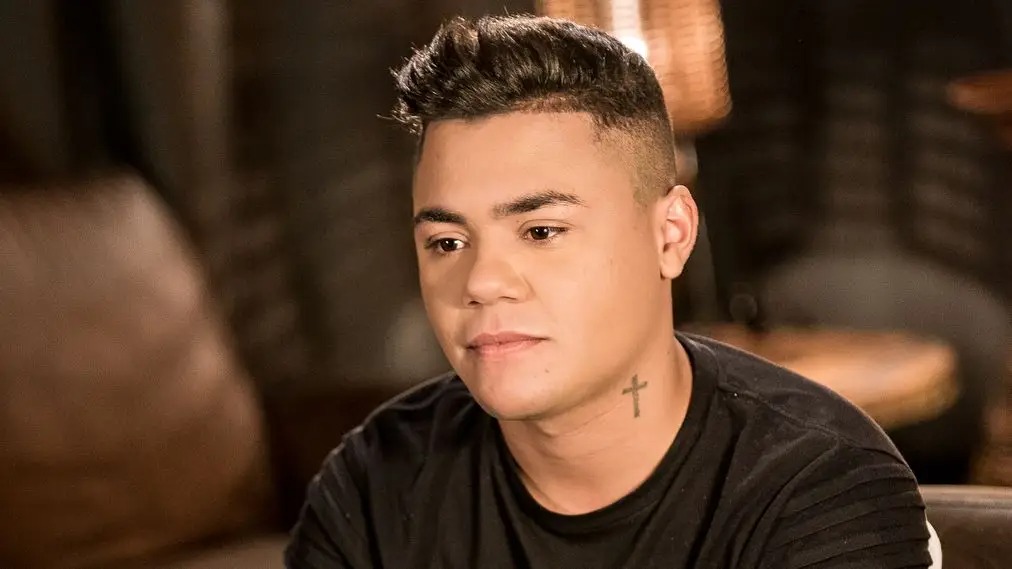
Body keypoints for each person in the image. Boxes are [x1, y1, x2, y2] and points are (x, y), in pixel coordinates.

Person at [286, 14, 931, 568]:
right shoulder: (376, 484)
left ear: (671, 235)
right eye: (447, 242)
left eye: (541, 231)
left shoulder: (820, 491)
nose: (481, 282)